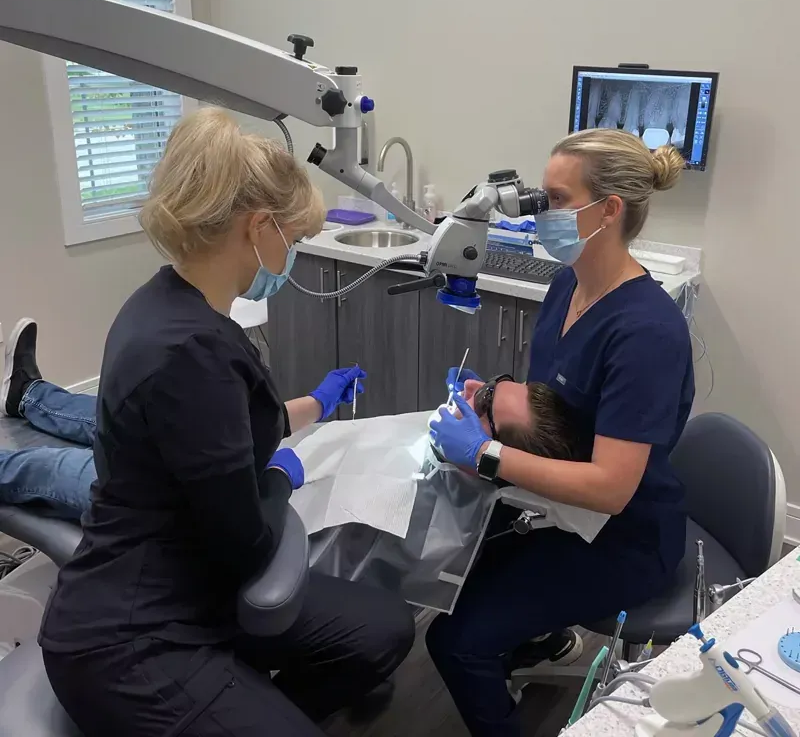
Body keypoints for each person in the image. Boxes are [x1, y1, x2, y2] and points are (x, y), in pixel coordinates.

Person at [25, 108, 415, 737]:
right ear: (259, 228)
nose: (289, 255)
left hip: (200, 585)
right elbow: (247, 542)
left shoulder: (169, 303)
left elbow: (219, 435)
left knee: (383, 631)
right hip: (135, 634)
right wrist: (281, 480)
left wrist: (314, 404)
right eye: (293, 237)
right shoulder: (189, 352)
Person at [426, 129, 695, 736]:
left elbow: (610, 489)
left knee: (454, 638)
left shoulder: (645, 333)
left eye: (553, 199)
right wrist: (491, 401)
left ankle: (509, 652)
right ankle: (540, 640)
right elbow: (552, 408)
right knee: (446, 563)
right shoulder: (566, 285)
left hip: (624, 539)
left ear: (609, 209)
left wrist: (487, 454)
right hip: (554, 509)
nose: (538, 213)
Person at [0, 321, 593, 520]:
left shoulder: (448, 500)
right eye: (491, 382)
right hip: (260, 451)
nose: (468, 388)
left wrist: (278, 472)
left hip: (222, 498)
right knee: (133, 423)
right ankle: (29, 397)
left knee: (74, 469)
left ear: (498, 456)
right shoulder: (446, 446)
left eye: (484, 403)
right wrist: (316, 404)